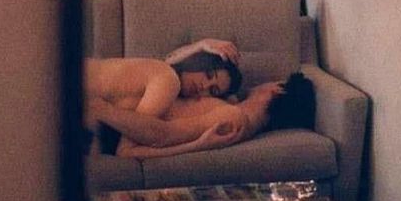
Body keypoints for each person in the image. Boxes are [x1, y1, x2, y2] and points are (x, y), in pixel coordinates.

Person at [95, 72, 316, 158]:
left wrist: (102, 109)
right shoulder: (235, 108)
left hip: (107, 123)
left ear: (277, 89)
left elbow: (161, 134)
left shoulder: (233, 119)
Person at [85, 38, 242, 149]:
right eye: (208, 74)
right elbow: (127, 149)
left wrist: (200, 45)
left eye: (212, 91)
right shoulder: (168, 80)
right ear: (199, 62)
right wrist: (199, 144)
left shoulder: (161, 72)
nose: (204, 87)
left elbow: (170, 59)